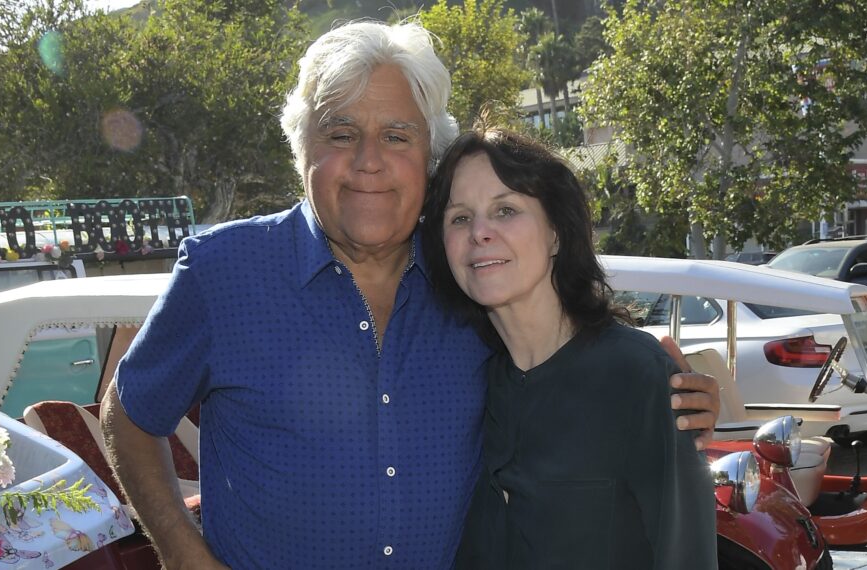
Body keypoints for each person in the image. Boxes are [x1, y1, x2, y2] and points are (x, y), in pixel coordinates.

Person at [100, 20, 721, 569]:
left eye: (397, 136)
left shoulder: (467, 274)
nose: (369, 161)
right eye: (340, 133)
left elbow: (561, 365)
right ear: (302, 150)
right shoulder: (223, 272)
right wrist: (183, 555)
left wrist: (669, 402)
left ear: (428, 156)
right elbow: (128, 413)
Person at [421, 129, 717, 568]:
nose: (480, 232)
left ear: (556, 233)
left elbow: (687, 557)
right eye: (460, 218)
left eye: (506, 210)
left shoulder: (637, 376)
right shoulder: (466, 382)